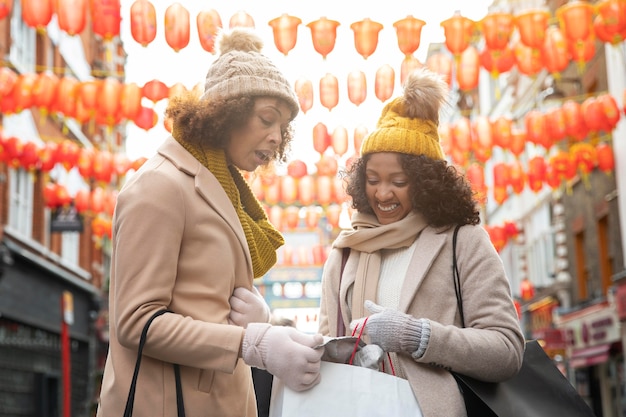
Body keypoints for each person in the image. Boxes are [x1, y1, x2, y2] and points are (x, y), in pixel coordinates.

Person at [96, 28, 324, 417]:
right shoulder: (160, 186)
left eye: (282, 127)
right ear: (225, 113)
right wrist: (252, 342)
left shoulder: (223, 189)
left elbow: (207, 299)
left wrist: (260, 321)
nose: (276, 137)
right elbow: (136, 323)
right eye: (267, 119)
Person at [317, 67, 525, 417]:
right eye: (372, 179)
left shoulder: (463, 241)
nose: (382, 193)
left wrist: (419, 337)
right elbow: (327, 347)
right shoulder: (346, 251)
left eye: (397, 180)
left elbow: (506, 350)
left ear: (426, 182)